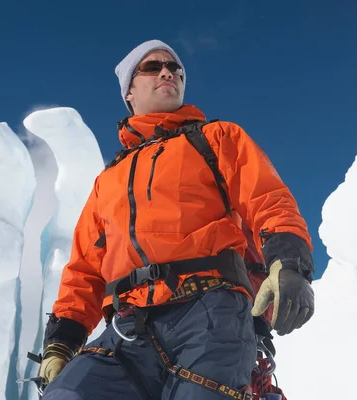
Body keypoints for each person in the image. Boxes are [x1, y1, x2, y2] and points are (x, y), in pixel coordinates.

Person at [37, 39, 315, 400]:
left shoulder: (217, 138)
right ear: (129, 92)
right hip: (127, 327)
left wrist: (289, 263)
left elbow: (268, 198)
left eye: (175, 69)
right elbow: (85, 268)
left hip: (211, 312)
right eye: (152, 67)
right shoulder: (109, 179)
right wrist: (61, 343)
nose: (168, 72)